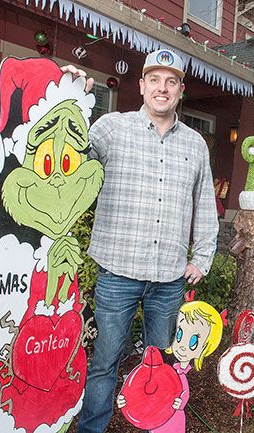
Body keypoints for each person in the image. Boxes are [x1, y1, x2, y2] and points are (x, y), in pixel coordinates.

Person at [73, 49, 219, 433]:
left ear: (181, 90)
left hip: (169, 281)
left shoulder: (195, 145)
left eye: (171, 81)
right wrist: (70, 96)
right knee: (105, 361)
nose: (162, 87)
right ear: (141, 86)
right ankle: (92, 429)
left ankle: (157, 425)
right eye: (154, 79)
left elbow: (204, 203)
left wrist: (202, 258)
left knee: (162, 362)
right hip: (117, 273)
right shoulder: (110, 128)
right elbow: (72, 150)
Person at [116, 294, 224, 433]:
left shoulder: (179, 374)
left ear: (205, 349)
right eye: (179, 334)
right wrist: (126, 400)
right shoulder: (164, 369)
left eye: (193, 342)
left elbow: (183, 393)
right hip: (155, 419)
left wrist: (180, 402)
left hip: (172, 422)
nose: (182, 346)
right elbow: (141, 385)